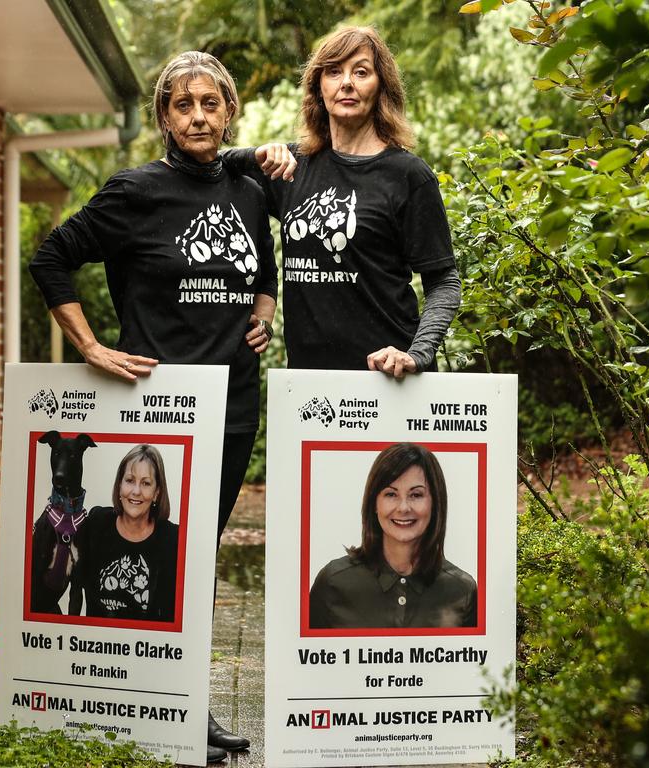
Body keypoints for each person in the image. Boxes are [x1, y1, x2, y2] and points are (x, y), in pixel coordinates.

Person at [30, 50, 272, 761]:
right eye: (182, 104)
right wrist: (91, 347)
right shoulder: (135, 191)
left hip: (231, 408)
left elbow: (265, 267)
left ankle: (180, 707)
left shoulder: (250, 189)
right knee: (164, 560)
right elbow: (51, 258)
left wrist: (264, 307)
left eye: (210, 102)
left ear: (228, 110)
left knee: (195, 561)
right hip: (160, 413)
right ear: (165, 118)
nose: (198, 115)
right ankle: (159, 710)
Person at [223, 26, 460, 378]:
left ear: (381, 86)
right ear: (319, 86)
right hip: (308, 384)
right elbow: (212, 165)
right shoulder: (292, 167)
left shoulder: (407, 175)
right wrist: (254, 154)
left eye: (361, 72)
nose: (346, 83)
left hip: (389, 379)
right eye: (334, 71)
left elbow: (444, 280)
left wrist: (417, 354)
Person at [308, 443, 477, 629]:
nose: (403, 508)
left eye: (416, 495)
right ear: (374, 503)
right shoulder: (332, 582)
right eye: (391, 494)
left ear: (435, 503)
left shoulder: (463, 591)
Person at [68, 444, 177, 622]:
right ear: (119, 485)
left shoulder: (172, 539)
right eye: (129, 480)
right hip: (96, 645)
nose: (136, 491)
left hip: (146, 647)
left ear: (157, 493)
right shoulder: (95, 524)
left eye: (146, 483)